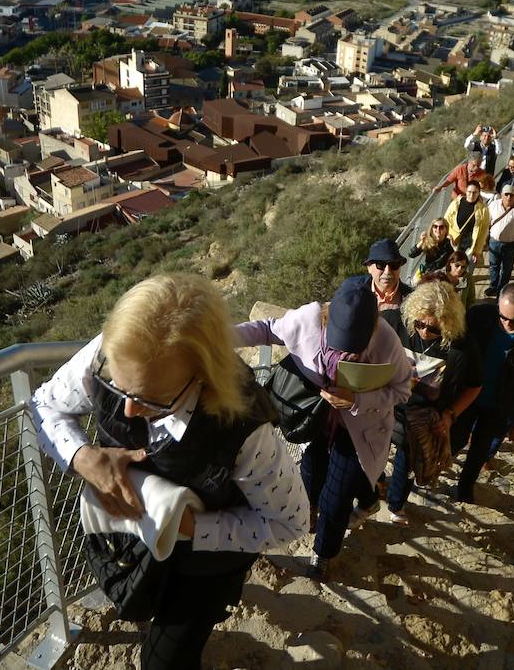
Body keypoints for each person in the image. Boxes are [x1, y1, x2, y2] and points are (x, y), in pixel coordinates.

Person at [31, 274, 309, 670]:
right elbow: (44, 405)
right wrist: (82, 456)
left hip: (203, 565)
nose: (127, 411)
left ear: (203, 376)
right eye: (119, 387)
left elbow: (291, 522)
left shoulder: (244, 427)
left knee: (166, 660)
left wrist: (191, 528)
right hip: (134, 544)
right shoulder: (112, 356)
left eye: (152, 399)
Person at [234, 275, 413, 581]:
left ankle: (323, 554)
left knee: (336, 497)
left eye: (356, 349)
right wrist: (219, 337)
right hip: (315, 420)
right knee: (311, 475)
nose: (348, 354)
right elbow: (267, 329)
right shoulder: (308, 318)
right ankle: (328, 507)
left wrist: (357, 398)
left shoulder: (386, 341)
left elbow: (402, 390)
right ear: (326, 318)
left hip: (359, 430)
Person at [386, 279, 482, 524]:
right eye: (419, 324)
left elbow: (474, 385)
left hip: (423, 415)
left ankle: (396, 505)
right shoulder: (396, 324)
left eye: (434, 329)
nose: (424, 332)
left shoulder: (463, 346)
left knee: (407, 459)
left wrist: (450, 414)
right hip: (387, 404)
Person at [454, 283, 514, 503]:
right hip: (467, 395)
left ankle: (465, 487)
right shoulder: (478, 317)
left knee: (480, 450)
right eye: (503, 317)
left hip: (499, 404)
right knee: (455, 439)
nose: (508, 324)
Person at [483, 184, 514, 298]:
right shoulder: (493, 205)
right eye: (506, 194)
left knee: (506, 268)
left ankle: (502, 290)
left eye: (511, 195)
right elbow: (487, 222)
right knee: (493, 265)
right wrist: (484, 239)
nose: (508, 197)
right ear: (501, 195)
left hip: (511, 244)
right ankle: (494, 286)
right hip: (494, 242)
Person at [364, 238, 411, 342]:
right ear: (369, 267)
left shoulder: (413, 299)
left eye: (394, 265)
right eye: (380, 265)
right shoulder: (355, 296)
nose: (387, 271)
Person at [443, 180, 489, 268]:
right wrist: (448, 235)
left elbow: (483, 232)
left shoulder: (483, 209)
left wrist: (477, 251)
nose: (471, 195)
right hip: (453, 240)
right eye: (469, 192)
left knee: (464, 267)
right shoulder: (456, 203)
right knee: (450, 265)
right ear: (466, 191)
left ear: (479, 193)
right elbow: (446, 220)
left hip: (469, 243)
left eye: (475, 193)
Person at [408, 218, 454, 282]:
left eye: (441, 227)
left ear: (446, 230)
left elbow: (456, 258)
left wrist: (453, 245)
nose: (438, 229)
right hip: (428, 274)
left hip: (442, 275)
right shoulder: (428, 241)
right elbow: (411, 254)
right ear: (432, 229)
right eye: (435, 227)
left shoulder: (448, 242)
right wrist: (421, 242)